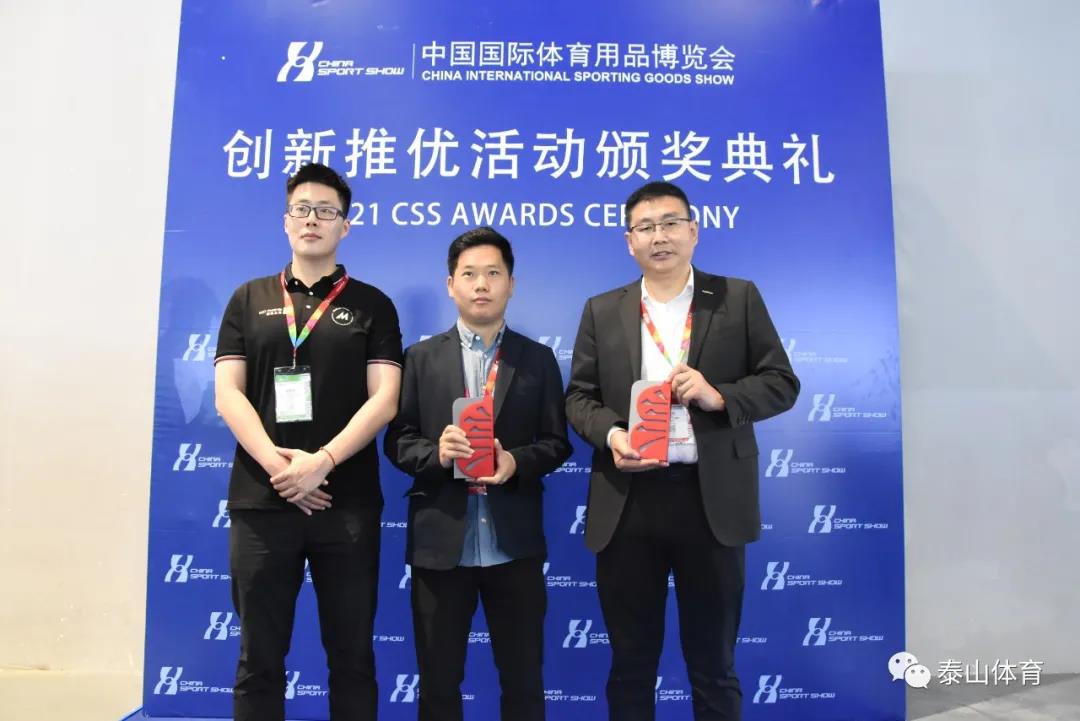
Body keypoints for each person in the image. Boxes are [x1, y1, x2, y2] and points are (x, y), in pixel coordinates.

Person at [564, 181, 799, 721]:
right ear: (629, 241)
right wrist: (613, 434)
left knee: (714, 663)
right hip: (629, 500)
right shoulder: (602, 310)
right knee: (630, 664)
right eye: (645, 227)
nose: (659, 236)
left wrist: (721, 396)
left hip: (709, 501)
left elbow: (782, 383)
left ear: (693, 231)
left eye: (671, 223)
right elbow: (578, 398)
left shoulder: (737, 297)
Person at [213, 162, 402, 721]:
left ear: (346, 225)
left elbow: (385, 400)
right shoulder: (248, 299)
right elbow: (228, 394)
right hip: (262, 502)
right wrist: (284, 470)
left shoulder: (373, 305)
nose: (312, 220)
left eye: (326, 211)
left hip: (346, 504)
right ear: (285, 220)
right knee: (259, 658)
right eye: (301, 209)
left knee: (352, 657)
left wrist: (322, 461)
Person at [384, 226, 572, 721]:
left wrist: (515, 463)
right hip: (441, 544)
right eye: (469, 274)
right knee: (438, 683)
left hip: (514, 546)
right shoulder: (420, 358)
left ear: (512, 284)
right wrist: (438, 454)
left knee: (524, 681)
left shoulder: (537, 359)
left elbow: (557, 443)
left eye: (493, 273)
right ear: (451, 285)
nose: (482, 284)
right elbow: (397, 441)